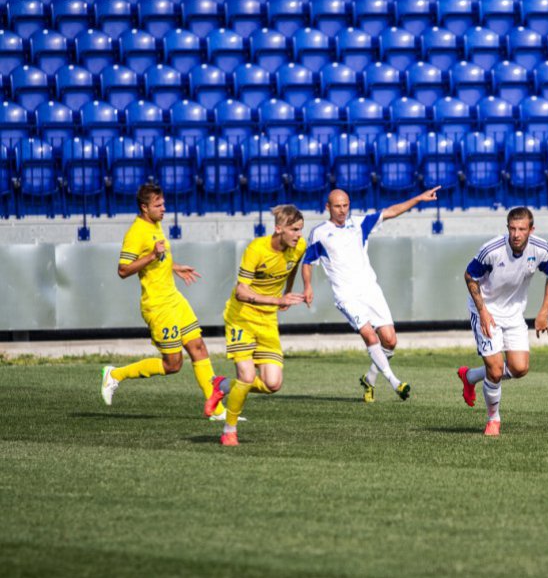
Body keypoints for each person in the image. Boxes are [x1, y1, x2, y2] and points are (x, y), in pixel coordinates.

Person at [301, 186, 441, 402]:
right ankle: (395, 382)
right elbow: (307, 262)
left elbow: (391, 211)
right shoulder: (319, 233)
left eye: (345, 205)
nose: (342, 210)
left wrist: (419, 198)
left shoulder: (360, 223)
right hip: (346, 295)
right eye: (337, 206)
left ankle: (369, 379)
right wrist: (307, 286)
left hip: (370, 290)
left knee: (390, 341)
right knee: (369, 335)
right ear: (327, 207)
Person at [100, 183, 224, 419]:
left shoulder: (155, 224)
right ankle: (115, 375)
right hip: (158, 306)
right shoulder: (136, 232)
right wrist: (152, 255)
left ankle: (217, 410)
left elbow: (159, 259)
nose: (164, 208)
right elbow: (123, 270)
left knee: (198, 347)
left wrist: (174, 267)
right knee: (173, 365)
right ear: (144, 207)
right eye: (158, 205)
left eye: (163, 203)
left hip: (174, 298)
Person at [204, 205, 307, 446]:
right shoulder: (256, 249)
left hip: (267, 320)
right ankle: (229, 430)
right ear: (278, 228)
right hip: (241, 317)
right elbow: (241, 292)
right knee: (248, 376)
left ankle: (222, 385)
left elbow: (293, 267)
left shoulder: (299, 246)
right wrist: (277, 300)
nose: (298, 235)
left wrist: (288, 291)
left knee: (273, 384)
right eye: (294, 230)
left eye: (300, 229)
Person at [455, 206, 548, 436]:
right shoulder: (492, 250)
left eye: (522, 229)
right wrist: (482, 311)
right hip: (487, 311)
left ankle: (470, 376)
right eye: (512, 228)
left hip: (514, 314)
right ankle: (494, 420)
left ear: (531, 230)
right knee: (494, 370)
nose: (516, 234)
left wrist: (544, 312)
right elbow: (470, 275)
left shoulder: (540, 249)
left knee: (519, 368)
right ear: (507, 228)